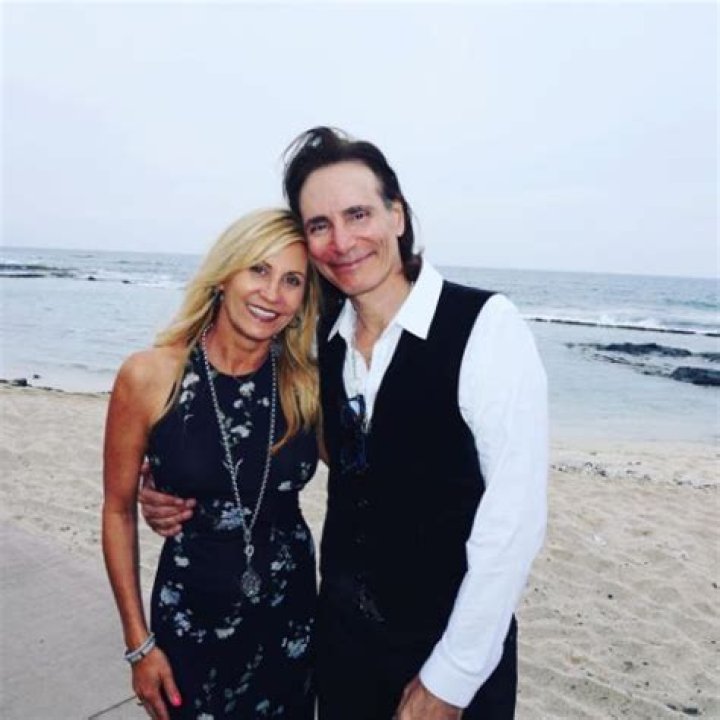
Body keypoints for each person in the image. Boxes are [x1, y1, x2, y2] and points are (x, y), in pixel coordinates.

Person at [141, 127, 548, 720]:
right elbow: (270, 436)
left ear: (397, 216)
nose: (342, 241)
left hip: (447, 654)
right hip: (338, 652)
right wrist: (168, 482)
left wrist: (451, 678)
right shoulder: (317, 345)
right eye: (319, 225)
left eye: (358, 214)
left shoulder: (486, 327)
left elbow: (513, 520)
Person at [102, 208, 321, 720]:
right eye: (258, 269)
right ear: (224, 275)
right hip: (189, 624)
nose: (273, 293)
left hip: (290, 626)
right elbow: (116, 511)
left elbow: (371, 477)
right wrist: (138, 644)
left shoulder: (308, 385)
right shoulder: (149, 376)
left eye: (292, 280)